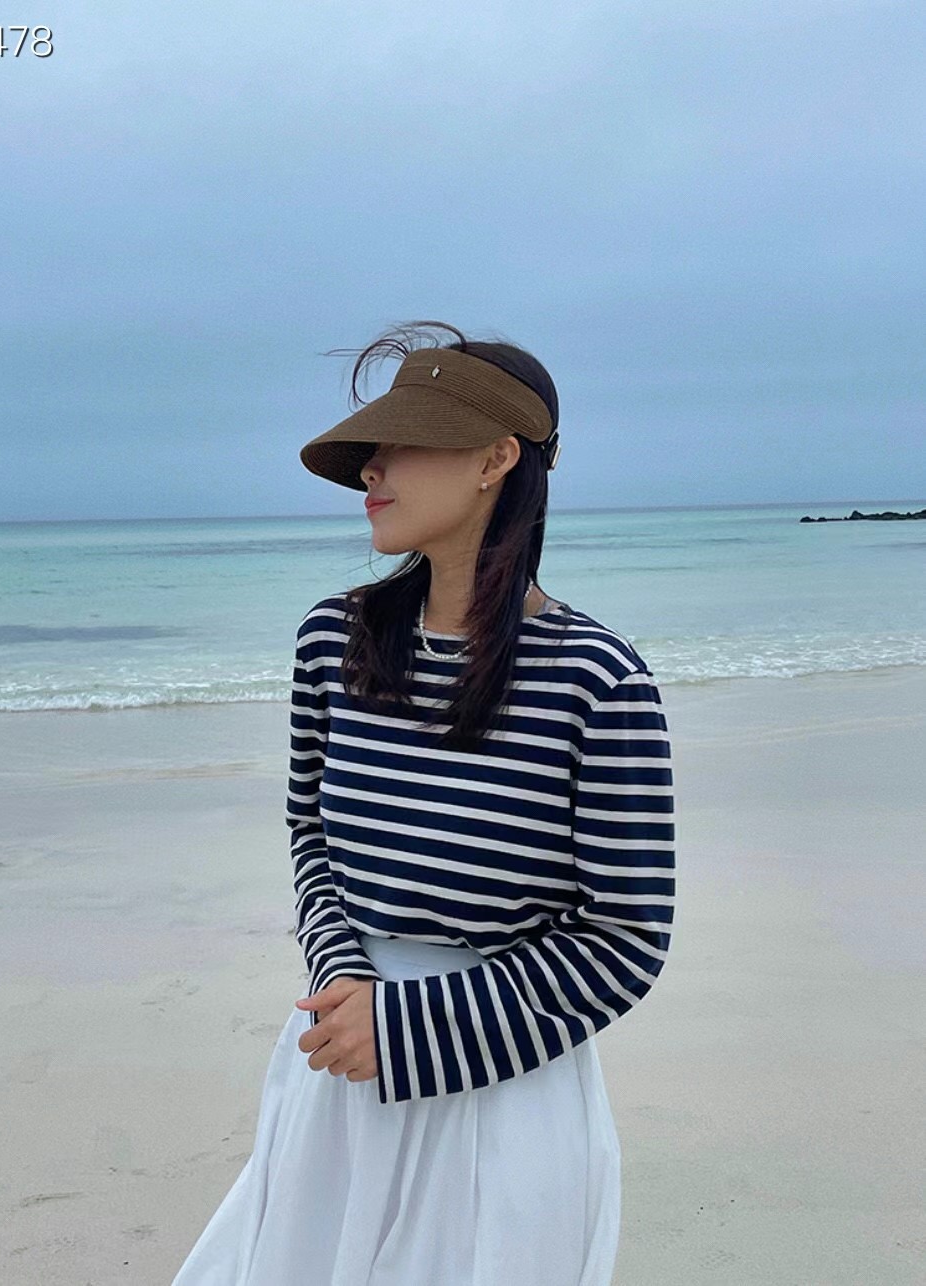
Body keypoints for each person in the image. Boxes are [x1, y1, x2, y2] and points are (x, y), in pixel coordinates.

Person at [171, 319, 676, 1285]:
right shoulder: (335, 638)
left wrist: (404, 1030)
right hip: (336, 1054)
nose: (372, 468)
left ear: (495, 459)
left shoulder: (596, 677)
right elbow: (310, 830)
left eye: (406, 441)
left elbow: (624, 937)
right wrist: (344, 983)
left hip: (505, 1083)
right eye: (373, 445)